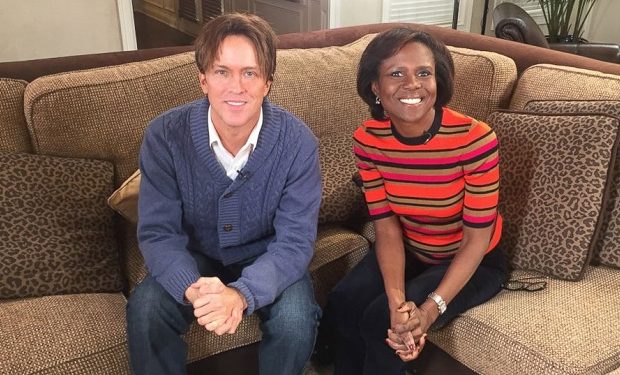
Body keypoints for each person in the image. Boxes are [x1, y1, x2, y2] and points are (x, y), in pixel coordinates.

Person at [126, 13, 322, 375]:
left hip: (266, 257)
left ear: (268, 83)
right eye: (222, 72)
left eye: (250, 72)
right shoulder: (164, 136)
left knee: (296, 319)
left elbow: (295, 242)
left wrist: (241, 294)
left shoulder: (298, 143)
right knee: (147, 309)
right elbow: (159, 233)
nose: (237, 87)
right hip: (195, 256)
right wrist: (193, 291)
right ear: (203, 80)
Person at [321, 28, 509, 374]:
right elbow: (387, 229)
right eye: (396, 74)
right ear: (375, 88)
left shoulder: (475, 140)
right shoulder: (368, 141)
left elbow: (476, 240)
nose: (413, 84)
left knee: (382, 323)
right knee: (344, 301)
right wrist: (397, 299)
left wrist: (428, 310)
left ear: (438, 79)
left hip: (475, 262)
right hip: (411, 250)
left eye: (424, 72)